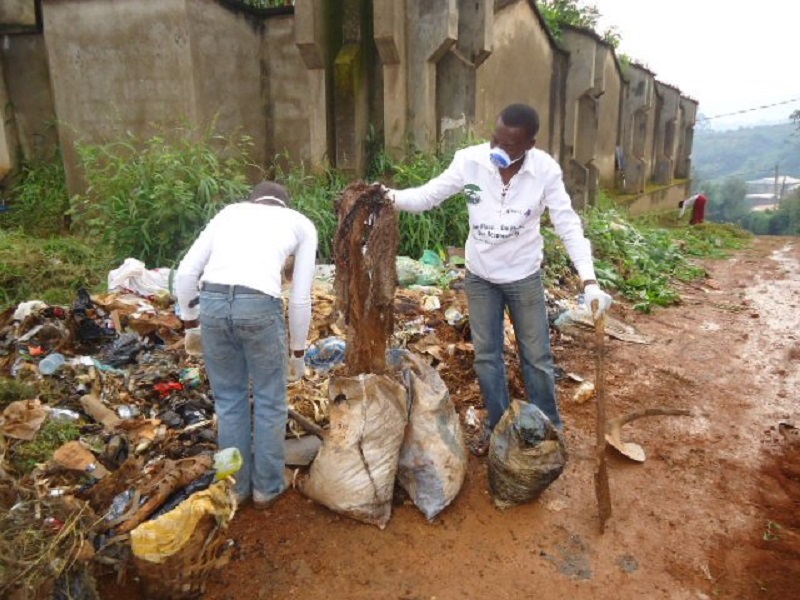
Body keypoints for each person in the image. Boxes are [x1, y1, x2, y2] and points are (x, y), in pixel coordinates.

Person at [385, 103, 612, 454]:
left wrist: (590, 281)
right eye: (496, 139)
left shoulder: (544, 171)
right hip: (480, 278)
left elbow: (567, 224)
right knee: (487, 356)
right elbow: (428, 196)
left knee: (536, 356)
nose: (498, 151)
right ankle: (498, 427)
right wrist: (387, 197)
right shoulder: (471, 161)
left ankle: (548, 429)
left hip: (523, 276)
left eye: (509, 146)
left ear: (529, 145)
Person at [175, 181, 318, 506]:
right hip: (258, 306)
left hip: (211, 301)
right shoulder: (300, 224)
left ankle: (233, 487)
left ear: (253, 202)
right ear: (284, 205)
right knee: (270, 400)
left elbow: (185, 274)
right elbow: (299, 299)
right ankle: (266, 488)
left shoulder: (229, 214)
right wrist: (298, 353)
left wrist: (191, 324)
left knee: (228, 401)